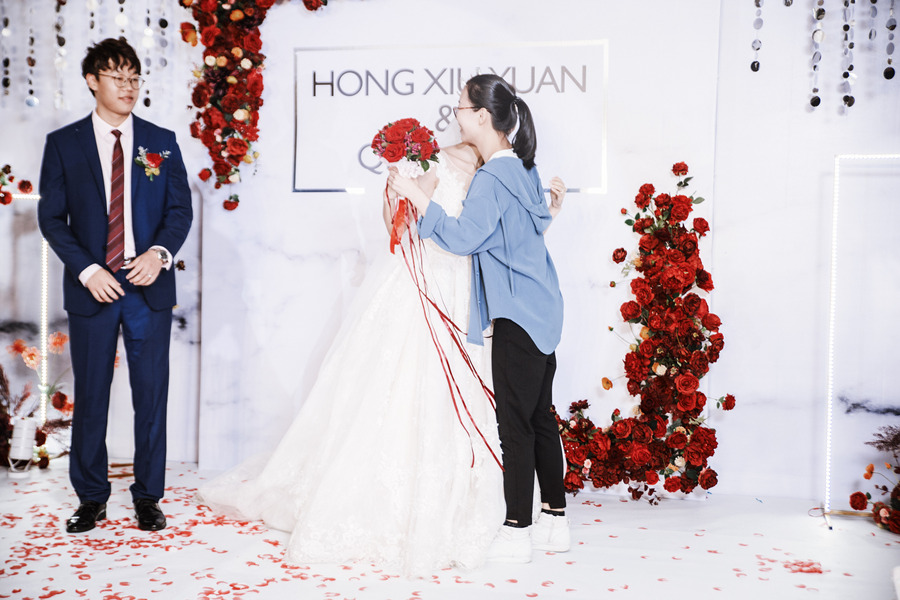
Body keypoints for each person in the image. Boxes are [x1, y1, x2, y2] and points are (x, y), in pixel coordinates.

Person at [198, 140, 563, 575]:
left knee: (489, 401)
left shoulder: (498, 169)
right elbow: (399, 224)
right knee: (403, 385)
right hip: (426, 282)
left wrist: (549, 211)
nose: (463, 116)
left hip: (469, 289)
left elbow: (504, 235)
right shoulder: (438, 159)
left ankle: (511, 510)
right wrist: (396, 193)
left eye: (468, 109)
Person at [388, 74, 569, 564]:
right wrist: (555, 207)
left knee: (515, 426)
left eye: (461, 108)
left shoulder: (492, 178)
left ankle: (517, 529)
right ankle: (555, 520)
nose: (456, 115)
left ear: (483, 117)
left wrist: (416, 195)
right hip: (543, 307)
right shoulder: (523, 168)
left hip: (517, 314)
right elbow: (533, 223)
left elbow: (464, 237)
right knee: (540, 417)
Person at [37, 37, 192, 533]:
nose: (128, 87)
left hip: (148, 287)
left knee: (151, 395)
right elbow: (51, 218)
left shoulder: (161, 141)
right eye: (117, 77)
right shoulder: (64, 144)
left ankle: (148, 496)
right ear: (92, 80)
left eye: (134, 78)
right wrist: (88, 270)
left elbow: (179, 210)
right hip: (93, 288)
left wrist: (158, 254)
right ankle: (91, 498)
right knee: (92, 395)